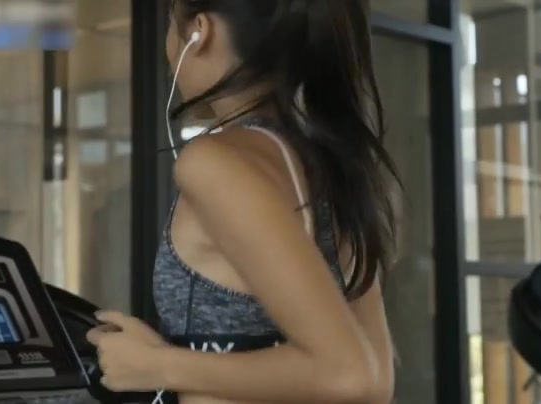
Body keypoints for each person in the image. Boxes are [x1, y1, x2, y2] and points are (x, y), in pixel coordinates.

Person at [87, 0, 399, 402]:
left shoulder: (215, 163)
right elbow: (377, 382)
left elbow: (349, 374)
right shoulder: (327, 164)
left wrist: (157, 365)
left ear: (199, 31)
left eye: (170, 24)